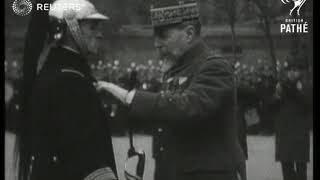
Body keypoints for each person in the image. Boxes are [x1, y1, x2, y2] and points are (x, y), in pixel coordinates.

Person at [96, 0, 245, 179]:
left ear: (189, 33)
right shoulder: (176, 69)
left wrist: (130, 97)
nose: (156, 44)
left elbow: (189, 107)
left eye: (163, 36)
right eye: (155, 36)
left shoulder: (215, 67)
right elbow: (164, 117)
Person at [15, 0, 117, 180]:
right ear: (71, 29)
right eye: (92, 27)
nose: (100, 34)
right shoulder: (70, 82)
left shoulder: (59, 73)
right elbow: (86, 159)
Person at [274, 59, 312, 180]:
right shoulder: (280, 86)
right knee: (286, 168)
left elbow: (308, 105)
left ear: (300, 72)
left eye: (295, 70)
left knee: (301, 169)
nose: (291, 73)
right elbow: (271, 107)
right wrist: (277, 97)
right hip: (284, 131)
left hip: (300, 132)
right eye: (289, 70)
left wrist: (296, 91)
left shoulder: (306, 86)